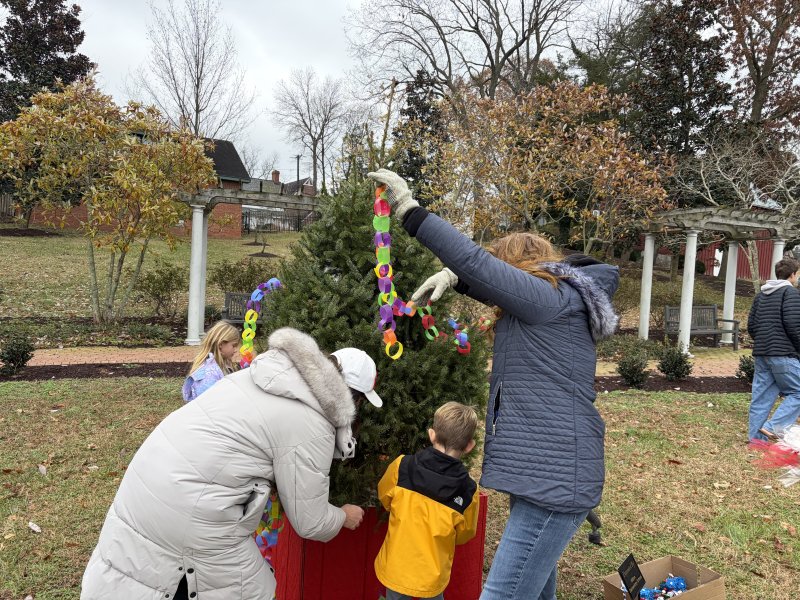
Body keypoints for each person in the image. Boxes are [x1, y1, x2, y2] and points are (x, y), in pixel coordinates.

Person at [367, 169, 619, 600]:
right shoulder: (556, 303)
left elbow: (479, 265)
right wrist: (454, 280)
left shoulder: (550, 300)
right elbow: (486, 279)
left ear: (520, 271)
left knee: (502, 593)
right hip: (547, 472)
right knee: (536, 589)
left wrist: (410, 211)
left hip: (554, 478)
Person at [81, 327, 382, 600]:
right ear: (353, 398)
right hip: (191, 508)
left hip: (150, 481)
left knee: (144, 573)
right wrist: (343, 516)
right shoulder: (311, 422)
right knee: (252, 589)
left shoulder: (266, 377)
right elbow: (310, 521)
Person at [375, 401, 480, 600]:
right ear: (469, 446)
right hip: (433, 576)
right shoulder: (468, 491)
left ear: (432, 434)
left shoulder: (402, 467)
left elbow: (384, 495)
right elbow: (465, 534)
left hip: (395, 568)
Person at [747, 257, 800, 441]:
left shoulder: (761, 295)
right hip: (783, 354)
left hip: (762, 354)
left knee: (761, 398)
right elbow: (794, 325)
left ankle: (756, 441)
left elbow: (751, 326)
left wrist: (764, 343)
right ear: (793, 275)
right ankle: (772, 426)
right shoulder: (790, 293)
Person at [181, 320, 241, 402]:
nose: (236, 350)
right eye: (233, 346)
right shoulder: (208, 375)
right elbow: (207, 404)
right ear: (221, 345)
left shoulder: (224, 365)